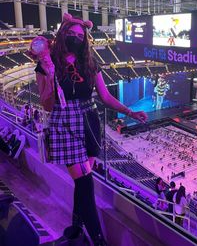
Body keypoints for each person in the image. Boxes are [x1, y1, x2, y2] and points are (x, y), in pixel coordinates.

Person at [34, 13, 147, 246]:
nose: (76, 38)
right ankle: (98, 240)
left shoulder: (90, 62)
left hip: (89, 122)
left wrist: (130, 112)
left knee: (83, 182)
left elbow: (105, 96)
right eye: (71, 34)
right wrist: (49, 73)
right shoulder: (46, 62)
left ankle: (76, 226)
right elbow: (46, 104)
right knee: (86, 183)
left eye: (80, 35)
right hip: (64, 123)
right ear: (62, 33)